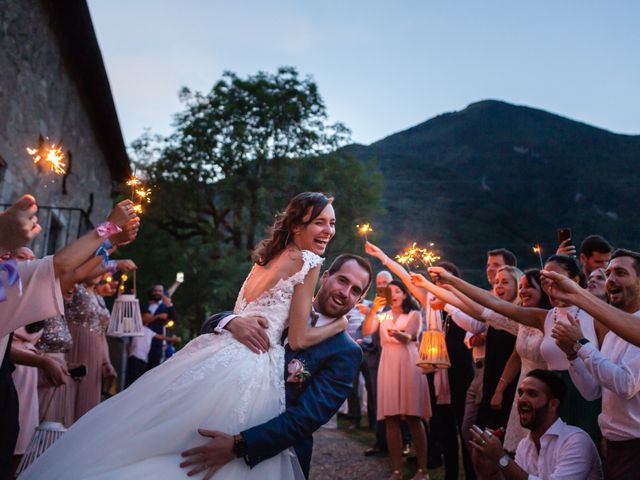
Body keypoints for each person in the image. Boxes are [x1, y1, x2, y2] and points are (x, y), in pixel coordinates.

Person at [22, 192, 344, 480]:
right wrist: (339, 326)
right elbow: (300, 339)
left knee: (171, 438)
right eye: (319, 222)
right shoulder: (309, 261)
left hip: (216, 353)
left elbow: (256, 311)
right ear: (297, 226)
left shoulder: (265, 261)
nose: (328, 231)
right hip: (251, 363)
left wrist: (233, 321)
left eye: (331, 223)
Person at [188, 253, 372, 478]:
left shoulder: (347, 352)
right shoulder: (283, 304)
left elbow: (306, 418)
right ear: (325, 277)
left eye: (355, 290)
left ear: (360, 300)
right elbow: (208, 332)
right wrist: (231, 322)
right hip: (217, 423)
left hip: (272, 457)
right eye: (342, 280)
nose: (345, 293)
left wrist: (238, 445)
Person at [429, 254, 603, 445]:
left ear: (575, 279)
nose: (551, 287)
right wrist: (452, 280)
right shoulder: (544, 317)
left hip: (586, 398)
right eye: (546, 282)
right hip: (550, 399)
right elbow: (493, 304)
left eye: (556, 280)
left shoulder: (596, 315)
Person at [552, 249, 640, 479]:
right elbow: (593, 392)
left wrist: (581, 344)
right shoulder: (612, 333)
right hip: (615, 444)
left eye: (621, 273)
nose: (611, 280)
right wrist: (573, 355)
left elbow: (625, 384)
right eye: (608, 273)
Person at [469, 369, 602, 479]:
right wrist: (488, 470)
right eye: (520, 393)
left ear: (553, 404)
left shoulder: (576, 441)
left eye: (531, 394)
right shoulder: (524, 445)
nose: (521, 400)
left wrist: (501, 458)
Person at [361, 279, 431, 480]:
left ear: (405, 294)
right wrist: (374, 308)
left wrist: (398, 334)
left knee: (413, 417)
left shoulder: (414, 314)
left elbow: (410, 337)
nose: (394, 295)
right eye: (390, 292)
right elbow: (366, 331)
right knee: (390, 417)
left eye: (398, 291)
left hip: (408, 362)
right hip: (388, 363)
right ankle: (397, 470)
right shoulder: (383, 316)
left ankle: (422, 470)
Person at [143, 285, 178, 369]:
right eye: (155, 290)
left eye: (160, 291)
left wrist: (169, 305)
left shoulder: (165, 307)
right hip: (143, 341)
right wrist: (158, 316)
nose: (157, 293)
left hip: (157, 342)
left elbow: (174, 318)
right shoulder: (146, 305)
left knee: (153, 368)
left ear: (163, 293)